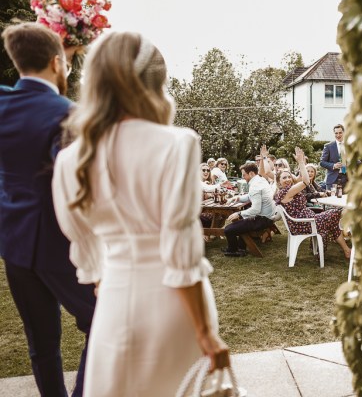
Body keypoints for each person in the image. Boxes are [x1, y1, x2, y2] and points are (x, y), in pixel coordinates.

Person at [51, 32, 229, 396]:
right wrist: (207, 333)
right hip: (173, 311)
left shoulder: (72, 159)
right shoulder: (178, 144)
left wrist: (103, 275)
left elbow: (80, 237)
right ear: (155, 83)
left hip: (114, 303)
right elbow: (180, 251)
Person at [0, 23, 96, 397]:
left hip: (13, 244)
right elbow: (76, 185)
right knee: (102, 322)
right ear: (58, 64)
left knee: (41, 342)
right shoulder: (69, 114)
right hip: (59, 245)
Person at [275, 148, 352, 259]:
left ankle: (346, 250)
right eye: (284, 178)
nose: (287, 179)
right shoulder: (285, 192)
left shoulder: (289, 190)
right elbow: (306, 181)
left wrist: (301, 163)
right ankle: (347, 234)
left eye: (288, 177)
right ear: (279, 182)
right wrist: (301, 162)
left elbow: (303, 179)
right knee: (337, 212)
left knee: (333, 220)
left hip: (307, 221)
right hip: (304, 224)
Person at [222, 162, 276, 257]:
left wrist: (238, 214)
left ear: (251, 173)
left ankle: (233, 251)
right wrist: (238, 198)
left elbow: (255, 210)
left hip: (263, 220)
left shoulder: (255, 185)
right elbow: (251, 196)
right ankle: (240, 247)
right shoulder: (260, 180)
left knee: (228, 229)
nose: (243, 177)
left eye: (244, 175)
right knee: (241, 223)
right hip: (269, 217)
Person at [320, 123, 348, 190]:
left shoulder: (350, 145)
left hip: (347, 180)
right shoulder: (328, 146)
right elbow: (322, 162)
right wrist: (334, 165)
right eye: (336, 133)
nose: (338, 135)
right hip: (332, 180)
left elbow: (358, 160)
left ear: (344, 133)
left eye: (340, 133)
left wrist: (350, 163)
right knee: (331, 200)